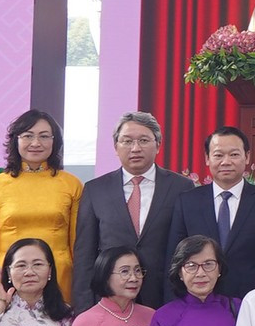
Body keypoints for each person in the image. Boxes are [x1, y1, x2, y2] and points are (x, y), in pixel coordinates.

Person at [0, 110, 82, 326]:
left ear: (55, 142)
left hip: (59, 283)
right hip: (8, 283)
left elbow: (78, 247)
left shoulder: (72, 185)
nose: (36, 142)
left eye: (44, 136)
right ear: (15, 140)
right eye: (28, 135)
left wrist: (83, 299)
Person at [72, 111, 192, 309]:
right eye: (127, 141)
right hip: (111, 297)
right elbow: (85, 254)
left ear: (158, 145)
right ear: (115, 147)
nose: (135, 148)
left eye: (144, 140)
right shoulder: (95, 190)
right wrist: (84, 308)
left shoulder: (181, 187)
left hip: (165, 297)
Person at [164, 127, 255, 300]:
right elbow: (174, 259)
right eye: (218, 155)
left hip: (249, 303)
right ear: (207, 158)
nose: (226, 162)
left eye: (234, 155)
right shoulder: (187, 202)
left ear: (247, 157)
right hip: (199, 302)